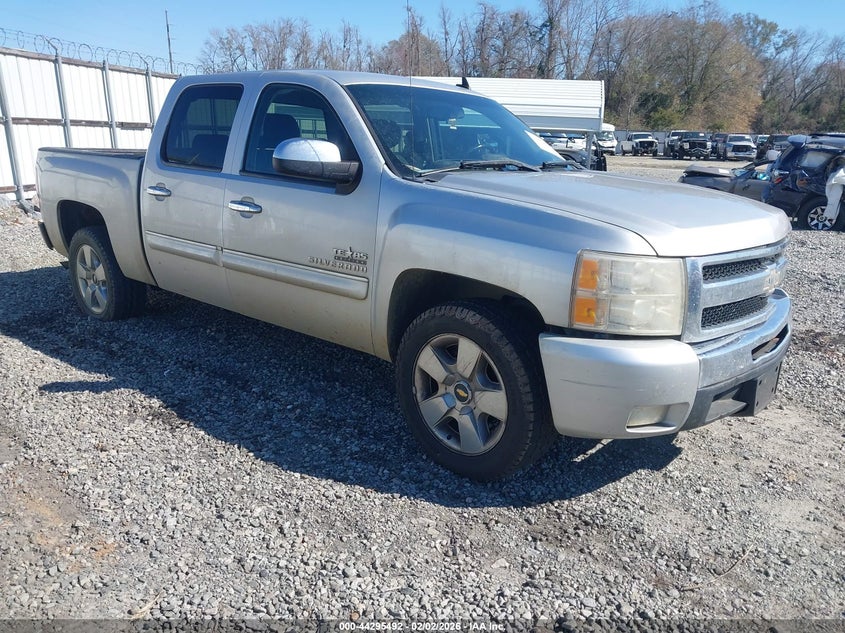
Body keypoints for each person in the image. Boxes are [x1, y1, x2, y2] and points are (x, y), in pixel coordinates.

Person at [824, 154, 845, 224]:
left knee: (833, 200)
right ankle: (830, 218)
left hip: (834, 181)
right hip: (835, 182)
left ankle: (830, 217)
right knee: (833, 200)